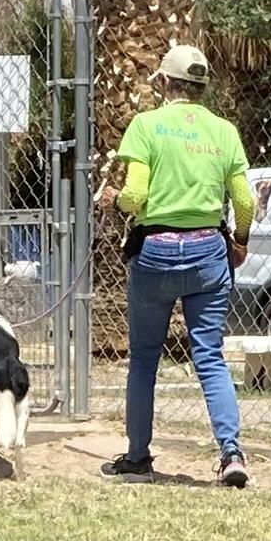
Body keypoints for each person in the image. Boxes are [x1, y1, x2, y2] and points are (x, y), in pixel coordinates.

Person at [98, 44, 255, 488]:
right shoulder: (223, 131)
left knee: (145, 358)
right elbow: (244, 199)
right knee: (209, 356)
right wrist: (239, 241)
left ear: (164, 83)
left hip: (155, 253)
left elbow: (135, 196)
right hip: (208, 250)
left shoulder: (146, 125)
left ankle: (137, 456)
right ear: (202, 87)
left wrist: (114, 201)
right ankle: (231, 453)